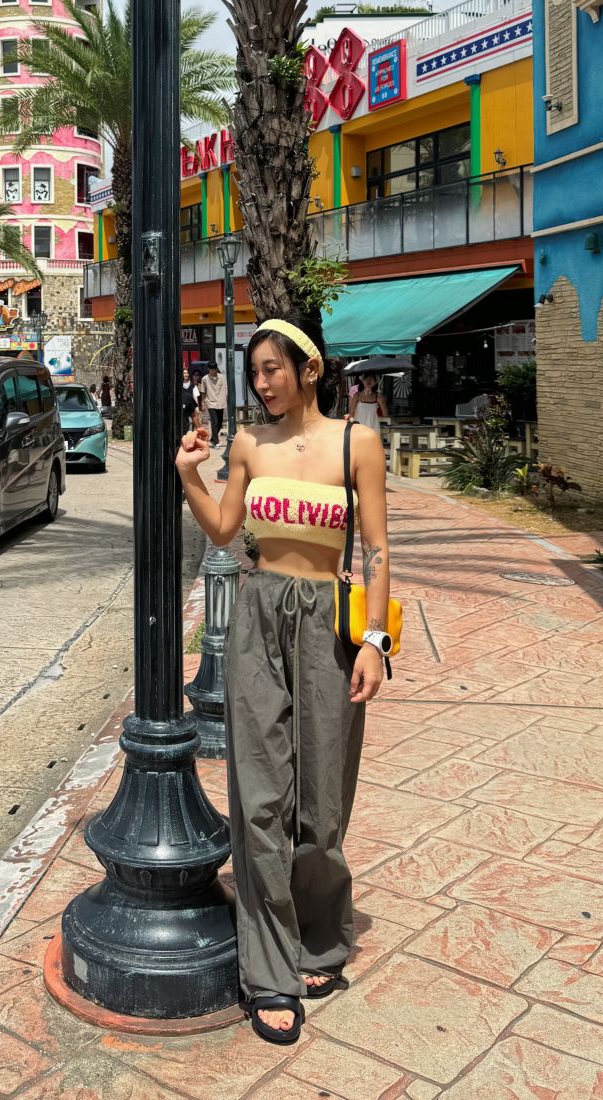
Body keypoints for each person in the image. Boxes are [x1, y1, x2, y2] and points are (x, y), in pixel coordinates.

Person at [175, 311, 390, 1046]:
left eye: (274, 368)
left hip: (330, 621)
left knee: (322, 802)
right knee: (261, 796)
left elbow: (379, 551)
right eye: (255, 371)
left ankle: (322, 937)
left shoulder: (356, 442)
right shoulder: (246, 443)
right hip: (259, 618)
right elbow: (225, 530)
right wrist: (188, 475)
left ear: (310, 368)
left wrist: (374, 643)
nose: (262, 382)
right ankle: (270, 971)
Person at [200, 359, 228, 446]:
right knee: (214, 421)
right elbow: (203, 392)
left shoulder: (222, 377)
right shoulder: (205, 379)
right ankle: (216, 441)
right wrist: (202, 403)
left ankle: (212, 439)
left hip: (221, 402)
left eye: (214, 369)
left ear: (216, 368)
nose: (213, 371)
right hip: (211, 402)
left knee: (220, 422)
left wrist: (226, 399)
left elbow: (226, 389)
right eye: (211, 369)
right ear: (209, 369)